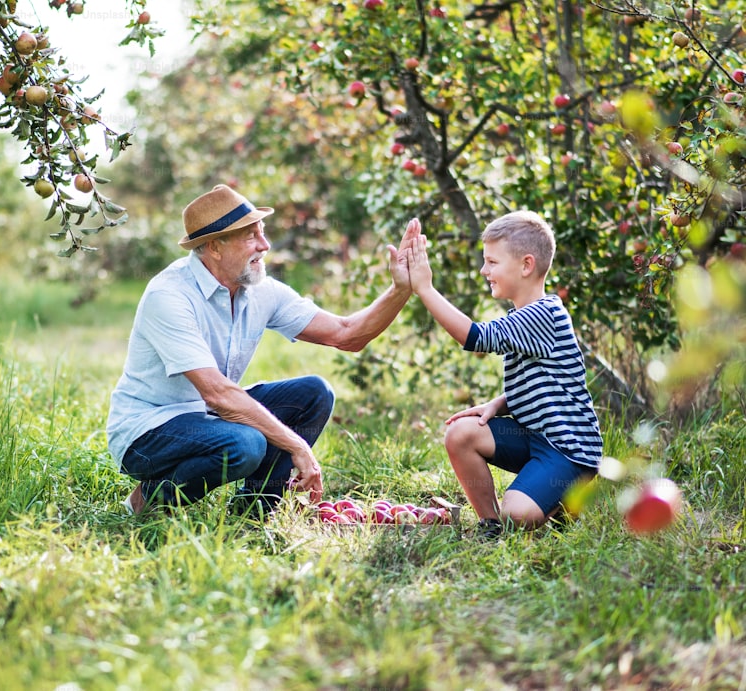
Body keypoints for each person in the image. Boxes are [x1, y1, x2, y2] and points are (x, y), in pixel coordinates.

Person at [107, 184, 419, 517]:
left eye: (262, 232)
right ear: (214, 247)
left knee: (314, 393)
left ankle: (253, 513)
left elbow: (347, 335)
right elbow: (217, 394)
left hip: (207, 417)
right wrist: (296, 445)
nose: (265, 245)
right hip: (147, 433)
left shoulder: (259, 290)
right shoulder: (169, 296)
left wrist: (400, 290)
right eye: (250, 236)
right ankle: (150, 501)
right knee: (245, 444)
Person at [405, 211, 602, 539]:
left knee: (517, 513)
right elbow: (548, 383)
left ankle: (562, 501)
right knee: (460, 434)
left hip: (568, 449)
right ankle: (491, 526)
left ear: (526, 265)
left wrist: (425, 289)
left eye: (492, 262)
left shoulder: (542, 314)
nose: (484, 271)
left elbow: (474, 337)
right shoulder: (527, 315)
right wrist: (498, 404)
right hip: (536, 437)